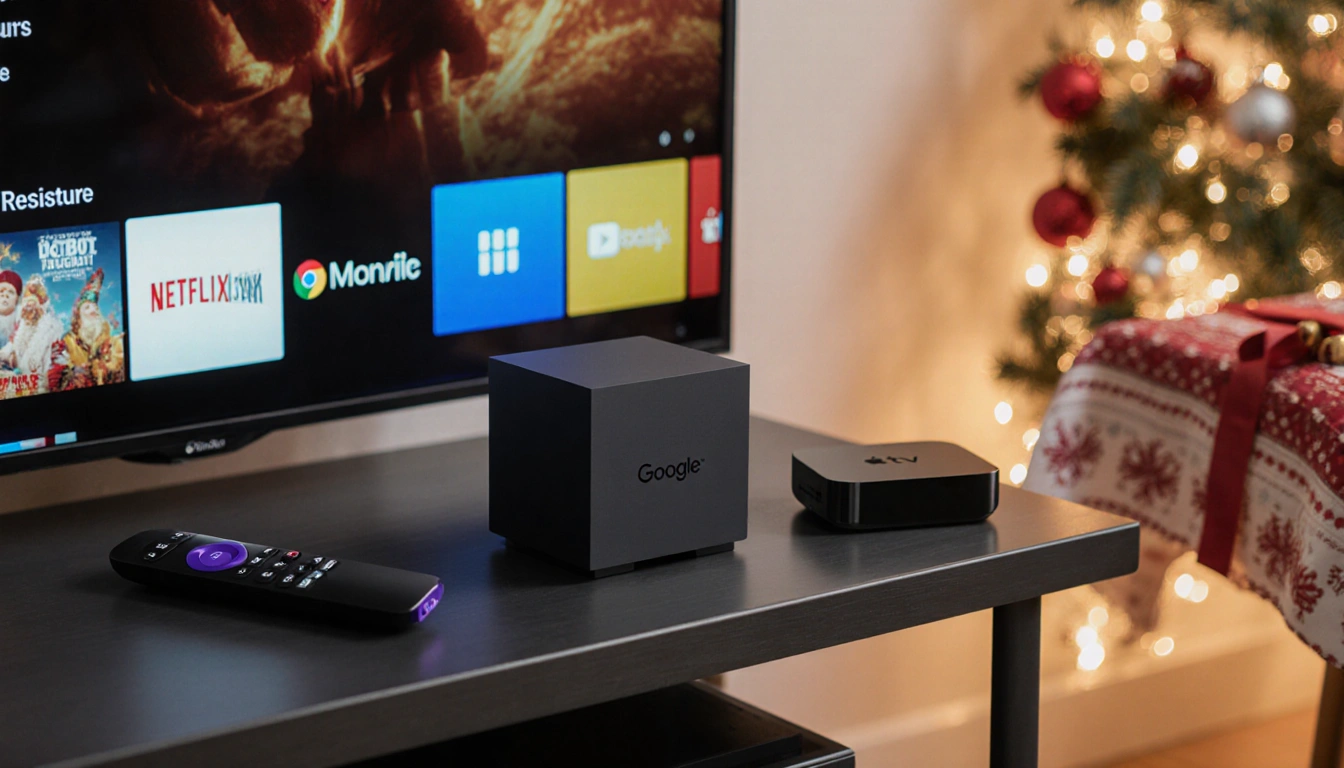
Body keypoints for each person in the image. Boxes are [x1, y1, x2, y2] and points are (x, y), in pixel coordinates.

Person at [48, 269, 126, 392]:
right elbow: (56, 380)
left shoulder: (109, 340)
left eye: (95, 307)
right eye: (87, 307)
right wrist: (77, 373)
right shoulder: (67, 342)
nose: (93, 310)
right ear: (79, 318)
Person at [3, 275, 65, 397]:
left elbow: (54, 368)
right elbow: (8, 349)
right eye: (26, 303)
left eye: (32, 303)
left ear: (40, 308)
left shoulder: (51, 330)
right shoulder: (21, 327)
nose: (28, 307)